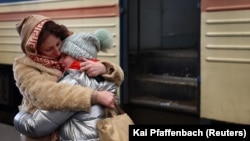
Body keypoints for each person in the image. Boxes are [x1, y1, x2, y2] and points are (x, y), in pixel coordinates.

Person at [13, 15, 123, 141]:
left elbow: (86, 56)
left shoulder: (72, 55)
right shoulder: (24, 66)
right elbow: (44, 94)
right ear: (35, 50)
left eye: (58, 44)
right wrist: (93, 96)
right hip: (44, 136)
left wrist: (104, 67)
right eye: (49, 49)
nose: (58, 52)